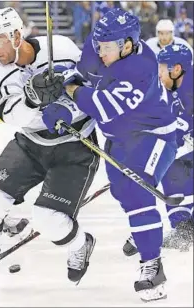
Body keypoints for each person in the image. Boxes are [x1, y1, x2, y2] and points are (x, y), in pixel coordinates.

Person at [0, 7, 98, 289]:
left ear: (16, 35)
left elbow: (89, 85)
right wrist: (32, 98)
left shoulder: (60, 47)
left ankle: (80, 244)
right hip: (30, 143)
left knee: (47, 218)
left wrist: (67, 106)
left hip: (75, 146)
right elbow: (14, 118)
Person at [42, 8, 178, 302]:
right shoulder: (98, 47)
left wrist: (70, 87)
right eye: (98, 45)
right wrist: (62, 104)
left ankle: (152, 265)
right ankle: (144, 229)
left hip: (155, 136)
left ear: (127, 45)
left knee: (137, 191)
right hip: (118, 141)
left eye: (107, 48)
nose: (99, 52)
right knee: (124, 194)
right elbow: (82, 82)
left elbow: (101, 106)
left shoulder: (141, 67)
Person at [123, 44, 193, 255]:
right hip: (184, 146)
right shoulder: (165, 87)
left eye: (163, 68)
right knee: (170, 171)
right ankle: (182, 227)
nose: (159, 72)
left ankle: (148, 227)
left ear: (177, 69)